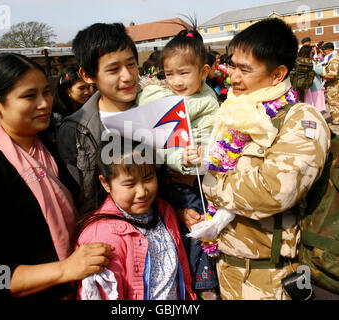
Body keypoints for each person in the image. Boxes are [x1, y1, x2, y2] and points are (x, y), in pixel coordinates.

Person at [193, 18, 330, 300]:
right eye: (232, 65)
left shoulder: (301, 120)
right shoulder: (237, 111)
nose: (233, 77)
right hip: (226, 268)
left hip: (271, 278)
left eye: (245, 69)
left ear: (278, 74)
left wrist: (209, 180)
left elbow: (273, 192)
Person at [0, 53, 113, 300]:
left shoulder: (53, 146)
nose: (44, 103)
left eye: (46, 92)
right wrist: (64, 269)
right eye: (29, 96)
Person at [136, 27, 220, 299]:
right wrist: (179, 158)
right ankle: (196, 285)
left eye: (184, 73)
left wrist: (200, 158)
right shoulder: (164, 99)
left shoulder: (208, 100)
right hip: (176, 179)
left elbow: (212, 137)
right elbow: (159, 137)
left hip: (200, 178)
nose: (176, 81)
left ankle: (206, 283)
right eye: (169, 74)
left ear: (204, 71)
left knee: (202, 228)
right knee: (187, 231)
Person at [76, 138, 196, 300]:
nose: (142, 192)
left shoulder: (165, 211)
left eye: (148, 179)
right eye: (129, 184)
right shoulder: (102, 237)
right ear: (105, 183)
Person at [56, 23, 139, 215]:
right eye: (113, 70)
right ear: (87, 75)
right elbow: (82, 197)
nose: (127, 76)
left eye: (131, 64)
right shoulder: (75, 130)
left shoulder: (158, 108)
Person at [52, 66, 95, 131]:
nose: (87, 92)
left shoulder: (90, 109)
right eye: (81, 88)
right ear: (67, 90)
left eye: (88, 87)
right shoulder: (56, 116)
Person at [297, 45, 326, 113]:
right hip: (314, 87)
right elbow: (319, 71)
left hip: (304, 87)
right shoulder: (309, 62)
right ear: (307, 53)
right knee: (316, 108)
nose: (312, 55)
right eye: (311, 53)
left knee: (308, 106)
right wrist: (320, 66)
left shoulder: (299, 61)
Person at [321, 42, 339, 135]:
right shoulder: (334, 57)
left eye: (324, 50)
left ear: (329, 49)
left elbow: (332, 75)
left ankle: (336, 124)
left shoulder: (333, 59)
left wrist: (321, 75)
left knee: (334, 104)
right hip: (334, 85)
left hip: (334, 85)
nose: (323, 52)